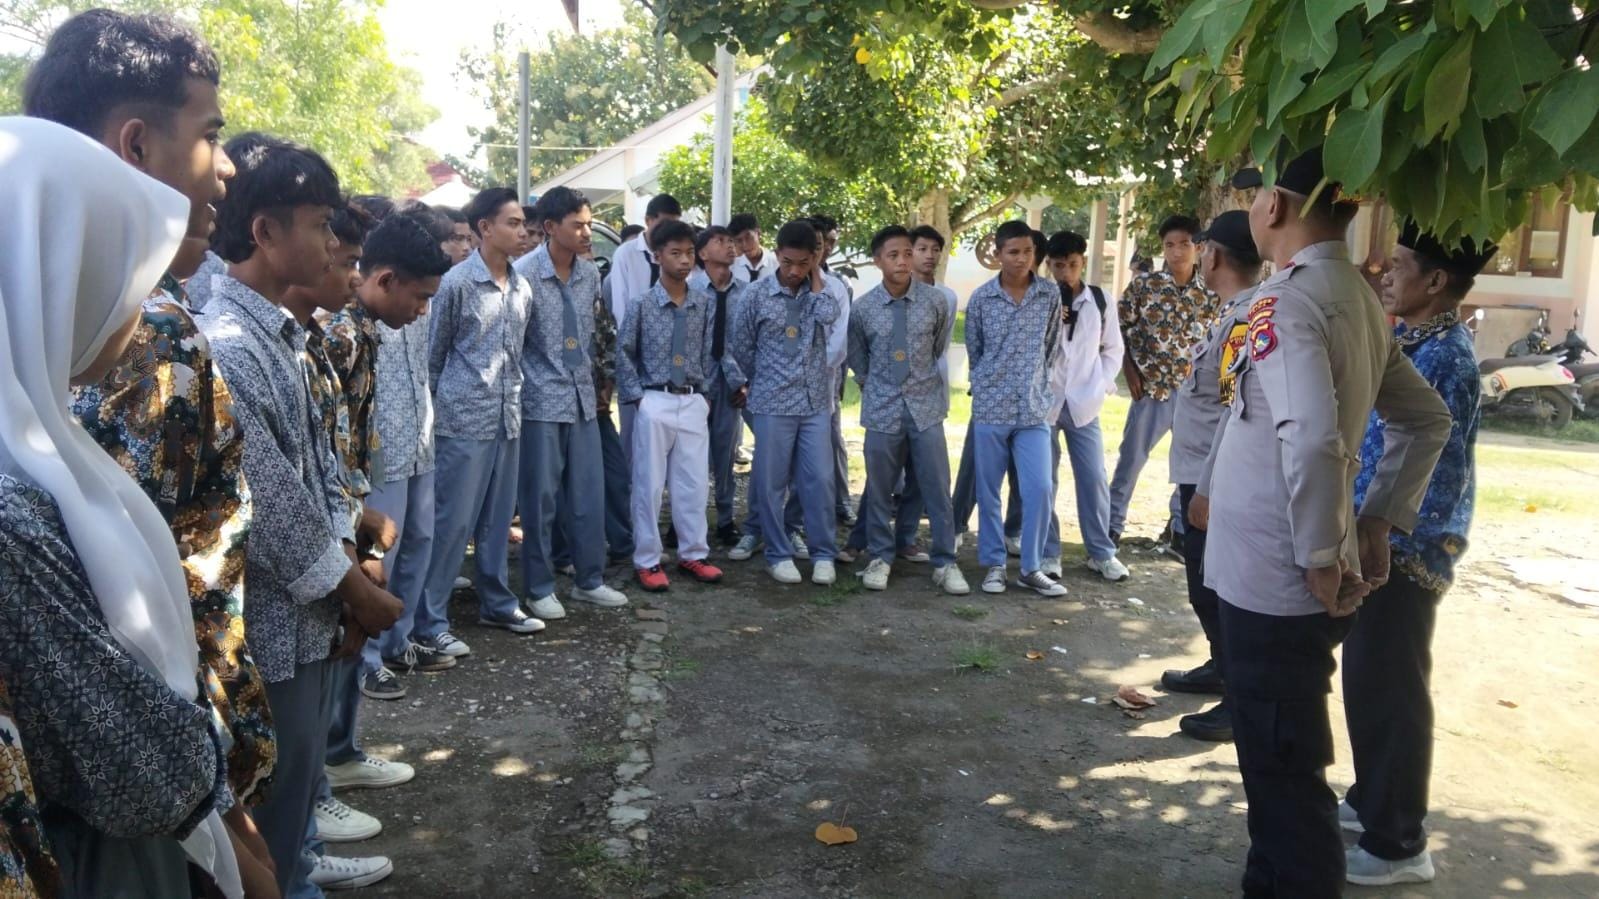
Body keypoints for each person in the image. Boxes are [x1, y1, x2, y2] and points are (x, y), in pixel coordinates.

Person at [27, 10, 278, 893]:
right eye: (209, 134)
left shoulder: (56, 422)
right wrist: (217, 808)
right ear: (135, 144)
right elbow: (126, 722)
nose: (227, 166)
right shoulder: (145, 344)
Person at [0, 114, 245, 899]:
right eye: (122, 280)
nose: (136, 314)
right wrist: (208, 781)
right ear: (56, 279)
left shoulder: (45, 445)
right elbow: (143, 775)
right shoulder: (15, 509)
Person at [1199, 148, 1451, 897]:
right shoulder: (1354, 297)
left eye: (1255, 197)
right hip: (1289, 561)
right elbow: (1423, 419)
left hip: (1278, 570)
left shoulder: (1288, 301)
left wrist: (1319, 551)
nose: (1252, 208)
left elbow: (1310, 436)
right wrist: (1376, 518)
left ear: (1274, 207)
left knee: (1281, 769)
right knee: (1274, 758)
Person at [201, 132, 404, 895]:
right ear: (265, 232)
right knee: (274, 817)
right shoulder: (231, 345)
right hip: (273, 628)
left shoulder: (283, 336)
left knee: (291, 809)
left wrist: (350, 574)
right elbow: (276, 509)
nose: (331, 244)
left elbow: (319, 476)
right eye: (320, 225)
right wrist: (356, 593)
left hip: (310, 613)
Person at [1340, 222, 1490, 887]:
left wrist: (1386, 535)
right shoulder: (1412, 338)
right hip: (1376, 536)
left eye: (1399, 265)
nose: (1385, 274)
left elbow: (1438, 470)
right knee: (1367, 681)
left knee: (1392, 690)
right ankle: (1370, 799)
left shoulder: (1448, 356)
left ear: (1435, 280)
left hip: (1405, 546)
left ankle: (1399, 842)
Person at [285, 202, 402, 892]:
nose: (349, 274)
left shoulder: (313, 336)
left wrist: (358, 527)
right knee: (295, 720)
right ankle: (303, 833)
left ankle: (317, 799)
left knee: (328, 681)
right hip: (309, 560)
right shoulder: (319, 337)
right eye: (345, 259)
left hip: (341, 525)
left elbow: (335, 453)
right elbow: (287, 490)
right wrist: (356, 567)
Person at [419, 188, 540, 644]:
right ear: (485, 228)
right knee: (453, 524)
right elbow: (433, 356)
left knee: (497, 521)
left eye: (524, 223)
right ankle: (430, 621)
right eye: (513, 223)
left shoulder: (522, 287)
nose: (523, 231)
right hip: (462, 420)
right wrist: (429, 420)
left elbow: (518, 353)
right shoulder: (456, 284)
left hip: (508, 416)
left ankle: (497, 603)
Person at [1160, 211, 1262, 742]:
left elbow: (1233, 411)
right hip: (1199, 471)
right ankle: (1221, 668)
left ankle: (1237, 699)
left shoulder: (1243, 322)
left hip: (1211, 477)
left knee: (1216, 590)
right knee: (1203, 586)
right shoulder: (1232, 314)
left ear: (1213, 255)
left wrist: (1206, 488)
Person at [345, 214, 454, 698]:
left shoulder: (409, 306)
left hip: (418, 435)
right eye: (422, 297)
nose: (425, 309)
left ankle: (398, 640)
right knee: (378, 551)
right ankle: (366, 659)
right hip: (380, 446)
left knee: (418, 541)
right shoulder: (350, 324)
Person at [512, 186, 631, 616]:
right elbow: (514, 344)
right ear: (549, 227)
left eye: (588, 224)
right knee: (540, 501)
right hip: (540, 400)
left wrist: (601, 381)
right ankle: (539, 587)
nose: (586, 233)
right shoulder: (522, 274)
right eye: (577, 225)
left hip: (582, 399)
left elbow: (596, 332)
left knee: (588, 496)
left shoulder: (589, 274)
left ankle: (589, 580)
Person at [846, 225, 968, 595]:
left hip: (925, 407)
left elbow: (936, 347)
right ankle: (880, 556)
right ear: (877, 261)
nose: (903, 261)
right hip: (882, 409)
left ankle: (944, 562)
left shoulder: (935, 302)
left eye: (907, 253)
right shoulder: (863, 309)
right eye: (893, 255)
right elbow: (858, 359)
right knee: (880, 488)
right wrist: (877, 387)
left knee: (937, 486)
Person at [727, 219, 842, 585]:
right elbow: (740, 346)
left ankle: (823, 553)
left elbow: (830, 316)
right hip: (772, 402)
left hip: (813, 402)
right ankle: (777, 553)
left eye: (803, 263)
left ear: (815, 258)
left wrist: (816, 276)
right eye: (788, 262)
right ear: (776, 254)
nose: (794, 271)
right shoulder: (755, 295)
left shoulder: (819, 293)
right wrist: (761, 380)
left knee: (820, 479)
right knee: (771, 481)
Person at [617, 219, 726, 590]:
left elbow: (710, 352)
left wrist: (705, 395)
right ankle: (647, 559)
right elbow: (624, 353)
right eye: (675, 253)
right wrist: (638, 398)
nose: (684, 260)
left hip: (692, 400)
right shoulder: (642, 305)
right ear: (657, 256)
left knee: (693, 483)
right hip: (655, 399)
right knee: (648, 484)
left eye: (689, 253)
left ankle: (693, 553)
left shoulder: (703, 303)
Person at [964, 220, 1068, 597]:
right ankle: (994, 564)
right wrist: (988, 383)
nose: (1022, 258)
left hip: (1033, 410)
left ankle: (1031, 567)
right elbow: (974, 349)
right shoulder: (981, 298)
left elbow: (1051, 345)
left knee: (1039, 487)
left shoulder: (1049, 294)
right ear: (998, 254)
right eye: (1013, 252)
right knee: (989, 490)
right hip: (991, 409)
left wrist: (1036, 384)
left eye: (1027, 251)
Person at [1025, 230, 1130, 582]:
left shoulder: (1099, 300)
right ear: (1048, 265)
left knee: (1093, 477)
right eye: (1058, 265)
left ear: (1083, 262)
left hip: (1085, 402)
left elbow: (1113, 349)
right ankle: (1048, 552)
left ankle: (1101, 553)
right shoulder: (1038, 299)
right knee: (1045, 480)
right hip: (1045, 402)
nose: (1066, 273)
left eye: (1072, 264)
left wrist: (1101, 384)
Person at [1110, 214, 1217, 547]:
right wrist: (1129, 369)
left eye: (1184, 244)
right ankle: (1111, 525)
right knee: (1132, 459)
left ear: (1199, 247)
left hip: (1195, 393)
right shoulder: (1145, 286)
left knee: (1190, 466)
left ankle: (1180, 529)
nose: (1177, 252)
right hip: (1151, 389)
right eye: (1170, 245)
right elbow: (1118, 328)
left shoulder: (1210, 291)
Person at [688, 225, 750, 546]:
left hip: (732, 384)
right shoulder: (690, 289)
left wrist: (744, 381)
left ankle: (725, 519)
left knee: (726, 453)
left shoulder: (746, 292)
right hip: (698, 381)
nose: (730, 246)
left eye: (731, 241)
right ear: (703, 253)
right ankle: (687, 519)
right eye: (721, 241)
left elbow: (749, 341)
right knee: (691, 456)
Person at [728, 212, 778, 284]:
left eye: (748, 238)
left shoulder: (776, 264)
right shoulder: (731, 267)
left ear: (758, 233)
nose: (745, 245)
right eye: (739, 241)